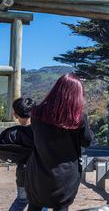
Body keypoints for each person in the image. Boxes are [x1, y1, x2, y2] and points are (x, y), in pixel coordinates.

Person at [25, 73, 94, 211]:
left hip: (38, 172)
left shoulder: (37, 113)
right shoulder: (78, 118)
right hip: (64, 177)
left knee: (34, 205)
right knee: (61, 207)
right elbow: (87, 141)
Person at [0, 97, 36, 211]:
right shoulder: (42, 131)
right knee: (42, 202)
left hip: (23, 173)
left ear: (15, 114)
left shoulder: (12, 133)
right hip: (42, 172)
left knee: (21, 200)